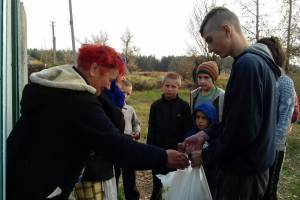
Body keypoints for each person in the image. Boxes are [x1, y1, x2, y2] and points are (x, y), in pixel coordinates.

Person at [6, 44, 189, 200]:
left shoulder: (58, 90)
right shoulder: (77, 102)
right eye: (109, 79)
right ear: (94, 69)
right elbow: (117, 147)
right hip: (39, 188)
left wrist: (96, 93)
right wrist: (163, 156)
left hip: (20, 178)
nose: (110, 86)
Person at [183, 7, 281, 200]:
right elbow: (237, 121)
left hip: (242, 175)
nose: (209, 48)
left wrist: (206, 155)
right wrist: (206, 133)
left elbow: (243, 132)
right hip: (254, 170)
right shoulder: (258, 63)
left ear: (227, 30)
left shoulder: (247, 65)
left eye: (210, 40)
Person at [257, 37, 296, 200]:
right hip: (258, 147)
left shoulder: (285, 82)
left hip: (274, 148)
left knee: (269, 191)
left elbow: (284, 120)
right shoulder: (263, 78)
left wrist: (270, 147)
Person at [146, 72, 193, 200]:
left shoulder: (184, 107)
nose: (170, 89)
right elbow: (151, 130)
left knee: (175, 186)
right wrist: (150, 152)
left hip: (177, 154)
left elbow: (188, 130)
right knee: (157, 187)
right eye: (167, 86)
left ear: (179, 88)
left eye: (173, 87)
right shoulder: (155, 106)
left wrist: (184, 151)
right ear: (162, 86)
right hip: (159, 152)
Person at [114, 79, 141, 200]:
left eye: (128, 93)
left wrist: (137, 131)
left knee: (130, 176)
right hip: (115, 147)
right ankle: (113, 195)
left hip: (129, 146)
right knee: (114, 175)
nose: (125, 95)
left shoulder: (130, 109)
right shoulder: (111, 108)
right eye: (122, 92)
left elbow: (136, 123)